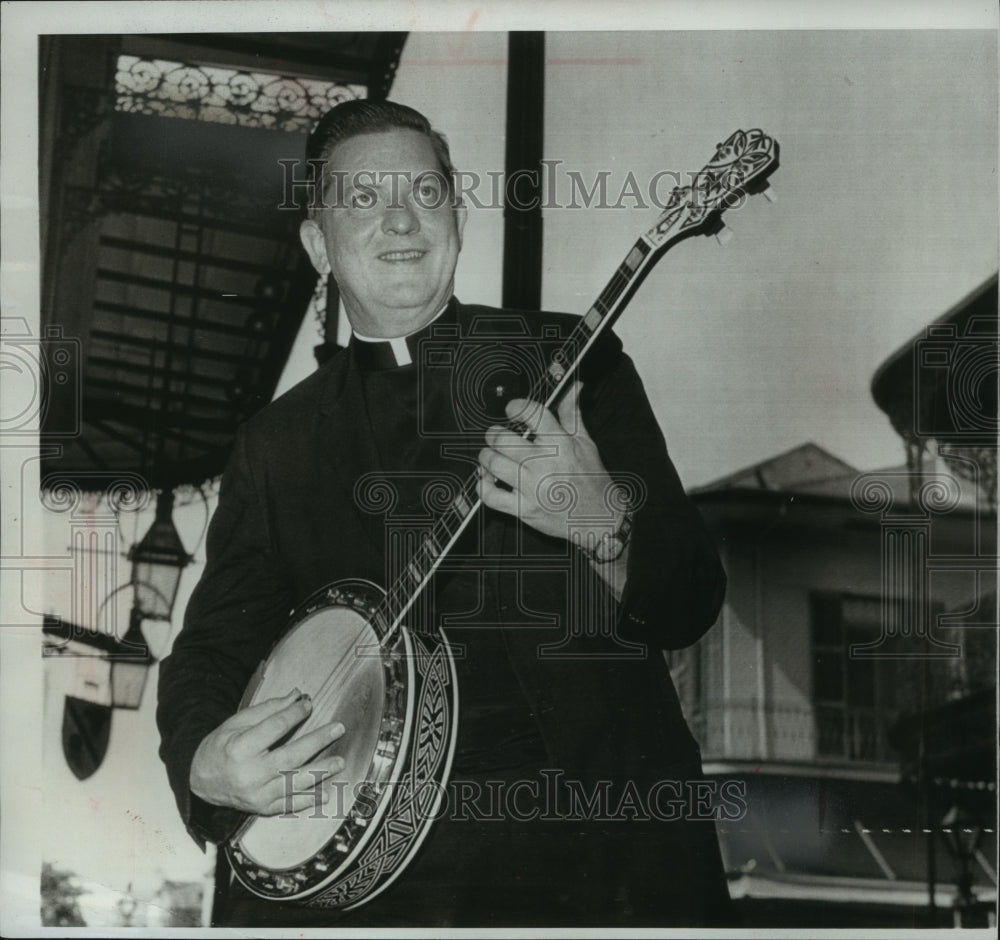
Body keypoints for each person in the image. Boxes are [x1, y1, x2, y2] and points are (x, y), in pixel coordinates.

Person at [157, 99, 733, 928]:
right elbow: (212, 649)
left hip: (594, 871)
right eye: (363, 200)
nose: (400, 219)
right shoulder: (274, 444)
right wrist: (206, 764)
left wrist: (598, 517)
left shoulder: (572, 361)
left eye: (424, 193)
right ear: (318, 245)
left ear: (457, 220)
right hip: (367, 891)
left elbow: (691, 597)